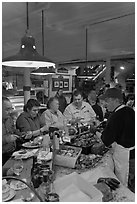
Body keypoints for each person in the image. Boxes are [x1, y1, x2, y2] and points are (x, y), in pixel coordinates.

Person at [100, 88, 135, 192]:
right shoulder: (130, 110)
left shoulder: (116, 116)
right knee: (132, 181)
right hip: (133, 153)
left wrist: (96, 132)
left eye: (107, 101)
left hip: (123, 154)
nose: (105, 104)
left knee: (123, 185)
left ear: (115, 100)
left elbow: (106, 140)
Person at [2, 97, 18, 165]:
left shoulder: (9, 119)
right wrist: (6, 139)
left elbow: (13, 132)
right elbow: (8, 138)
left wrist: (22, 134)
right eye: (7, 109)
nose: (10, 112)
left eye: (11, 109)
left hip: (13, 153)